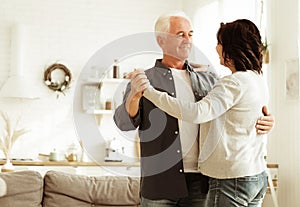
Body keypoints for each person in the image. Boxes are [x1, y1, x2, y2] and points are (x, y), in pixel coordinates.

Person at [114, 12, 274, 207]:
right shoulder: (143, 79)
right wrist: (134, 96)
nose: (187, 40)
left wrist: (267, 120)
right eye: (180, 34)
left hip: (202, 180)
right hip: (160, 182)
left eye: (191, 34)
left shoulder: (209, 78)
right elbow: (123, 122)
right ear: (161, 41)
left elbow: (238, 110)